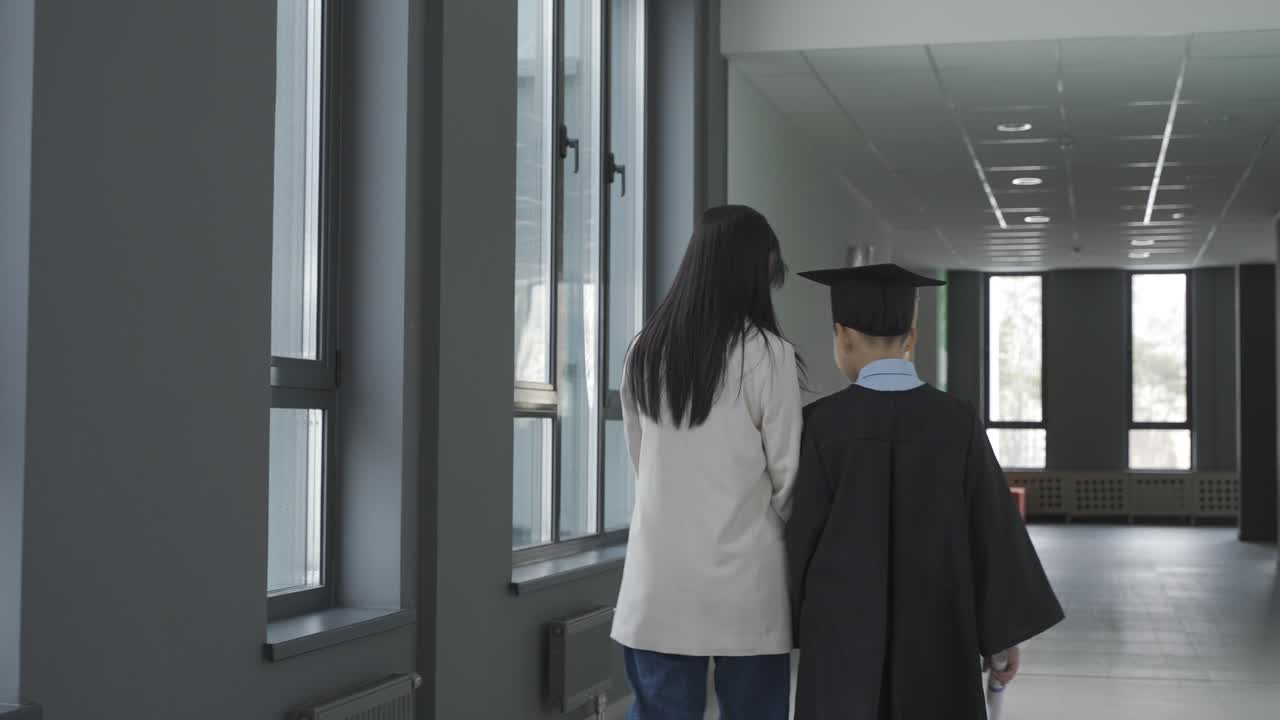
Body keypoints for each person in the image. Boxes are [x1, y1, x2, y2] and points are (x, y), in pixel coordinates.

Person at [786, 263, 1064, 720]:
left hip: (840, 631)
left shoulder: (821, 424)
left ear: (842, 336)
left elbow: (802, 535)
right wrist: (1000, 637)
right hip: (939, 627)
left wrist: (790, 619)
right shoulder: (956, 421)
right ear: (911, 337)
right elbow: (991, 531)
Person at [612, 205, 804, 720]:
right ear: (756, 267)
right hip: (748, 581)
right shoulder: (768, 354)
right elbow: (790, 478)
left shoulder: (643, 351)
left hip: (659, 580)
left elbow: (641, 458)